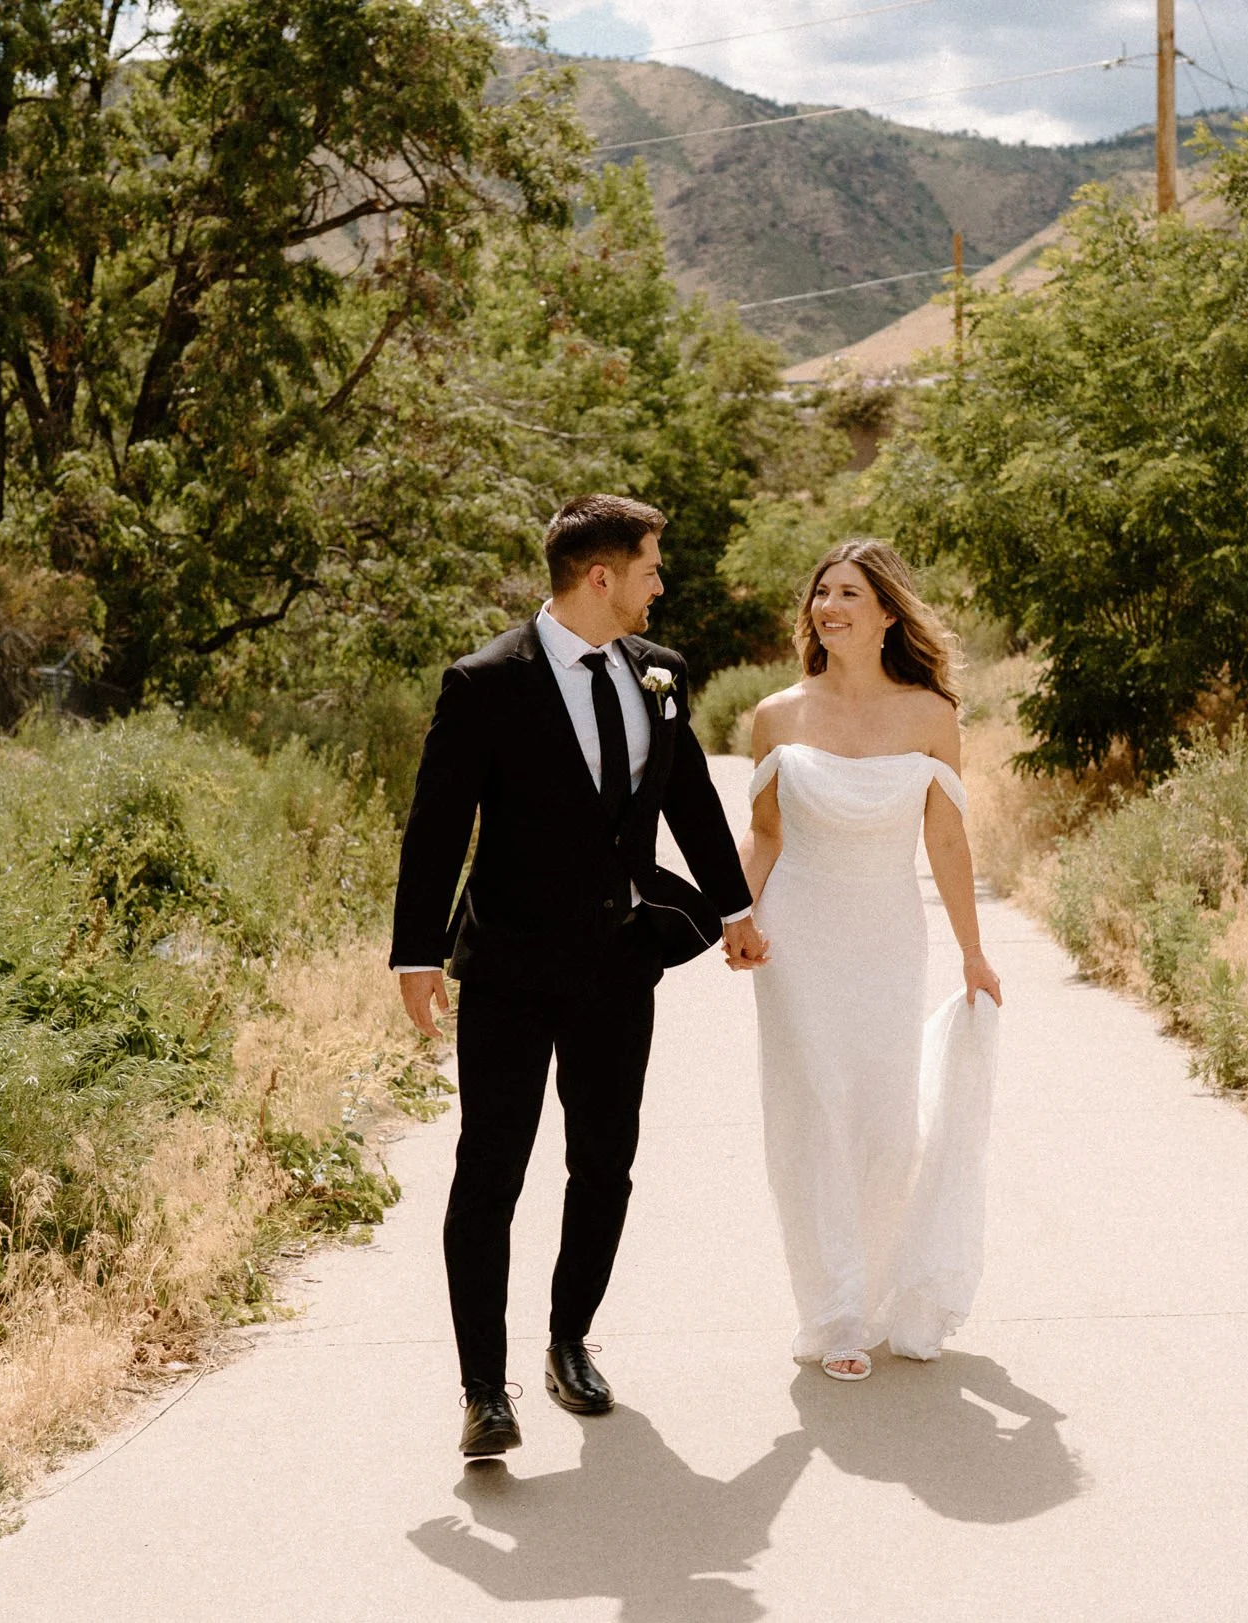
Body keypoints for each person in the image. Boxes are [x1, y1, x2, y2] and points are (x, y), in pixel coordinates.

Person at [391, 494, 770, 1457]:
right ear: (600, 576)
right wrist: (416, 951)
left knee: (604, 1161)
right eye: (650, 566)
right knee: (492, 1169)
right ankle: (484, 1389)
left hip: (618, 964)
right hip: (511, 967)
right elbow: (439, 824)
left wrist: (734, 910)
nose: (660, 584)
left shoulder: (661, 675)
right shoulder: (484, 681)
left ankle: (568, 1339)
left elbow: (687, 799)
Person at [741, 539, 1003, 1383]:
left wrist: (973, 951)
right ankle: (836, 1310)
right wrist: (737, 913)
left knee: (889, 1121)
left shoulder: (931, 716)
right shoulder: (777, 715)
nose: (829, 606)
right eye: (822, 592)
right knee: (812, 1113)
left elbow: (948, 835)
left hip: (888, 932)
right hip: (798, 937)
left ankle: (883, 1282)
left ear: (888, 612)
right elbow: (768, 832)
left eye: (849, 592)